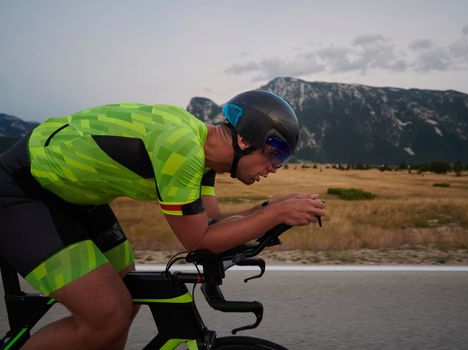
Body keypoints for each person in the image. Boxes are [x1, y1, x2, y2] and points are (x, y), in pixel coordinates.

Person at [0, 90, 326, 349]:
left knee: (128, 301)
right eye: (276, 151)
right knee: (107, 317)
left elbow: (215, 224)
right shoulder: (181, 147)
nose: (275, 167)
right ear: (244, 139)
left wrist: (269, 209)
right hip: (22, 192)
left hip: (76, 198)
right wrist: (275, 213)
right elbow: (199, 240)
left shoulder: (203, 161)